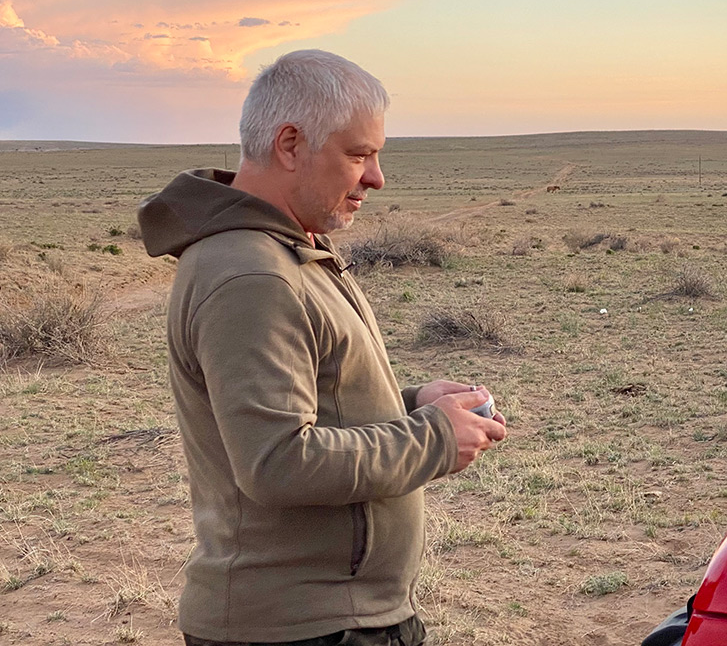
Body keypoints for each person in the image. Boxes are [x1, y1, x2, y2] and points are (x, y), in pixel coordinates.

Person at [138, 49, 506, 646]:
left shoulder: (287, 252)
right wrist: (435, 437)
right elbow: (277, 463)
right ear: (289, 145)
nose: (376, 177)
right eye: (359, 154)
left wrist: (414, 404)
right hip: (303, 629)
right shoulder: (253, 274)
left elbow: (310, 406)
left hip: (335, 617)